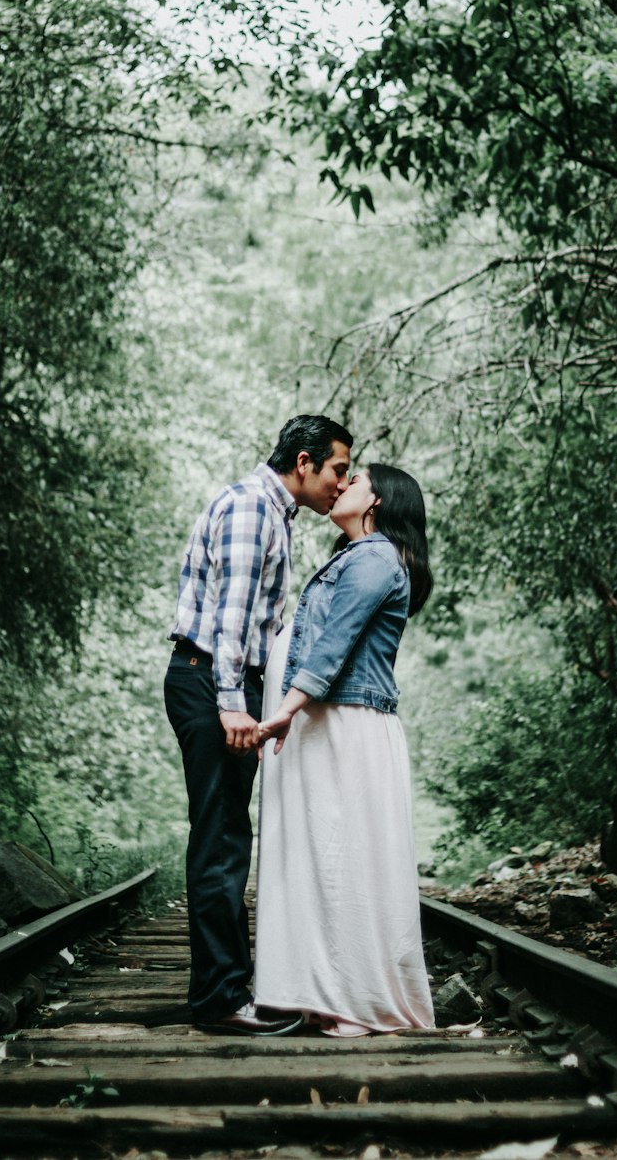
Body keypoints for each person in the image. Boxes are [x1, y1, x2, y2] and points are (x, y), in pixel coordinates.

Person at [164, 414, 353, 1035]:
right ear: (304, 462)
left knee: (225, 838)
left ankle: (227, 987)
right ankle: (219, 1000)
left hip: (220, 682)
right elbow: (231, 618)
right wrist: (230, 704)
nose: (340, 483)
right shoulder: (251, 509)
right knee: (220, 843)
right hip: (210, 682)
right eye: (337, 470)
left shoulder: (271, 513)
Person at [253, 463, 435, 1036]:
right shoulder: (358, 556)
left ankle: (355, 998)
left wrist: (281, 713)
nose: (339, 486)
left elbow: (333, 645)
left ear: (377, 501)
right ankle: (326, 991)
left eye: (351, 481)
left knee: (343, 859)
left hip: (342, 726)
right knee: (322, 859)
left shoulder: (377, 558)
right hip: (325, 725)